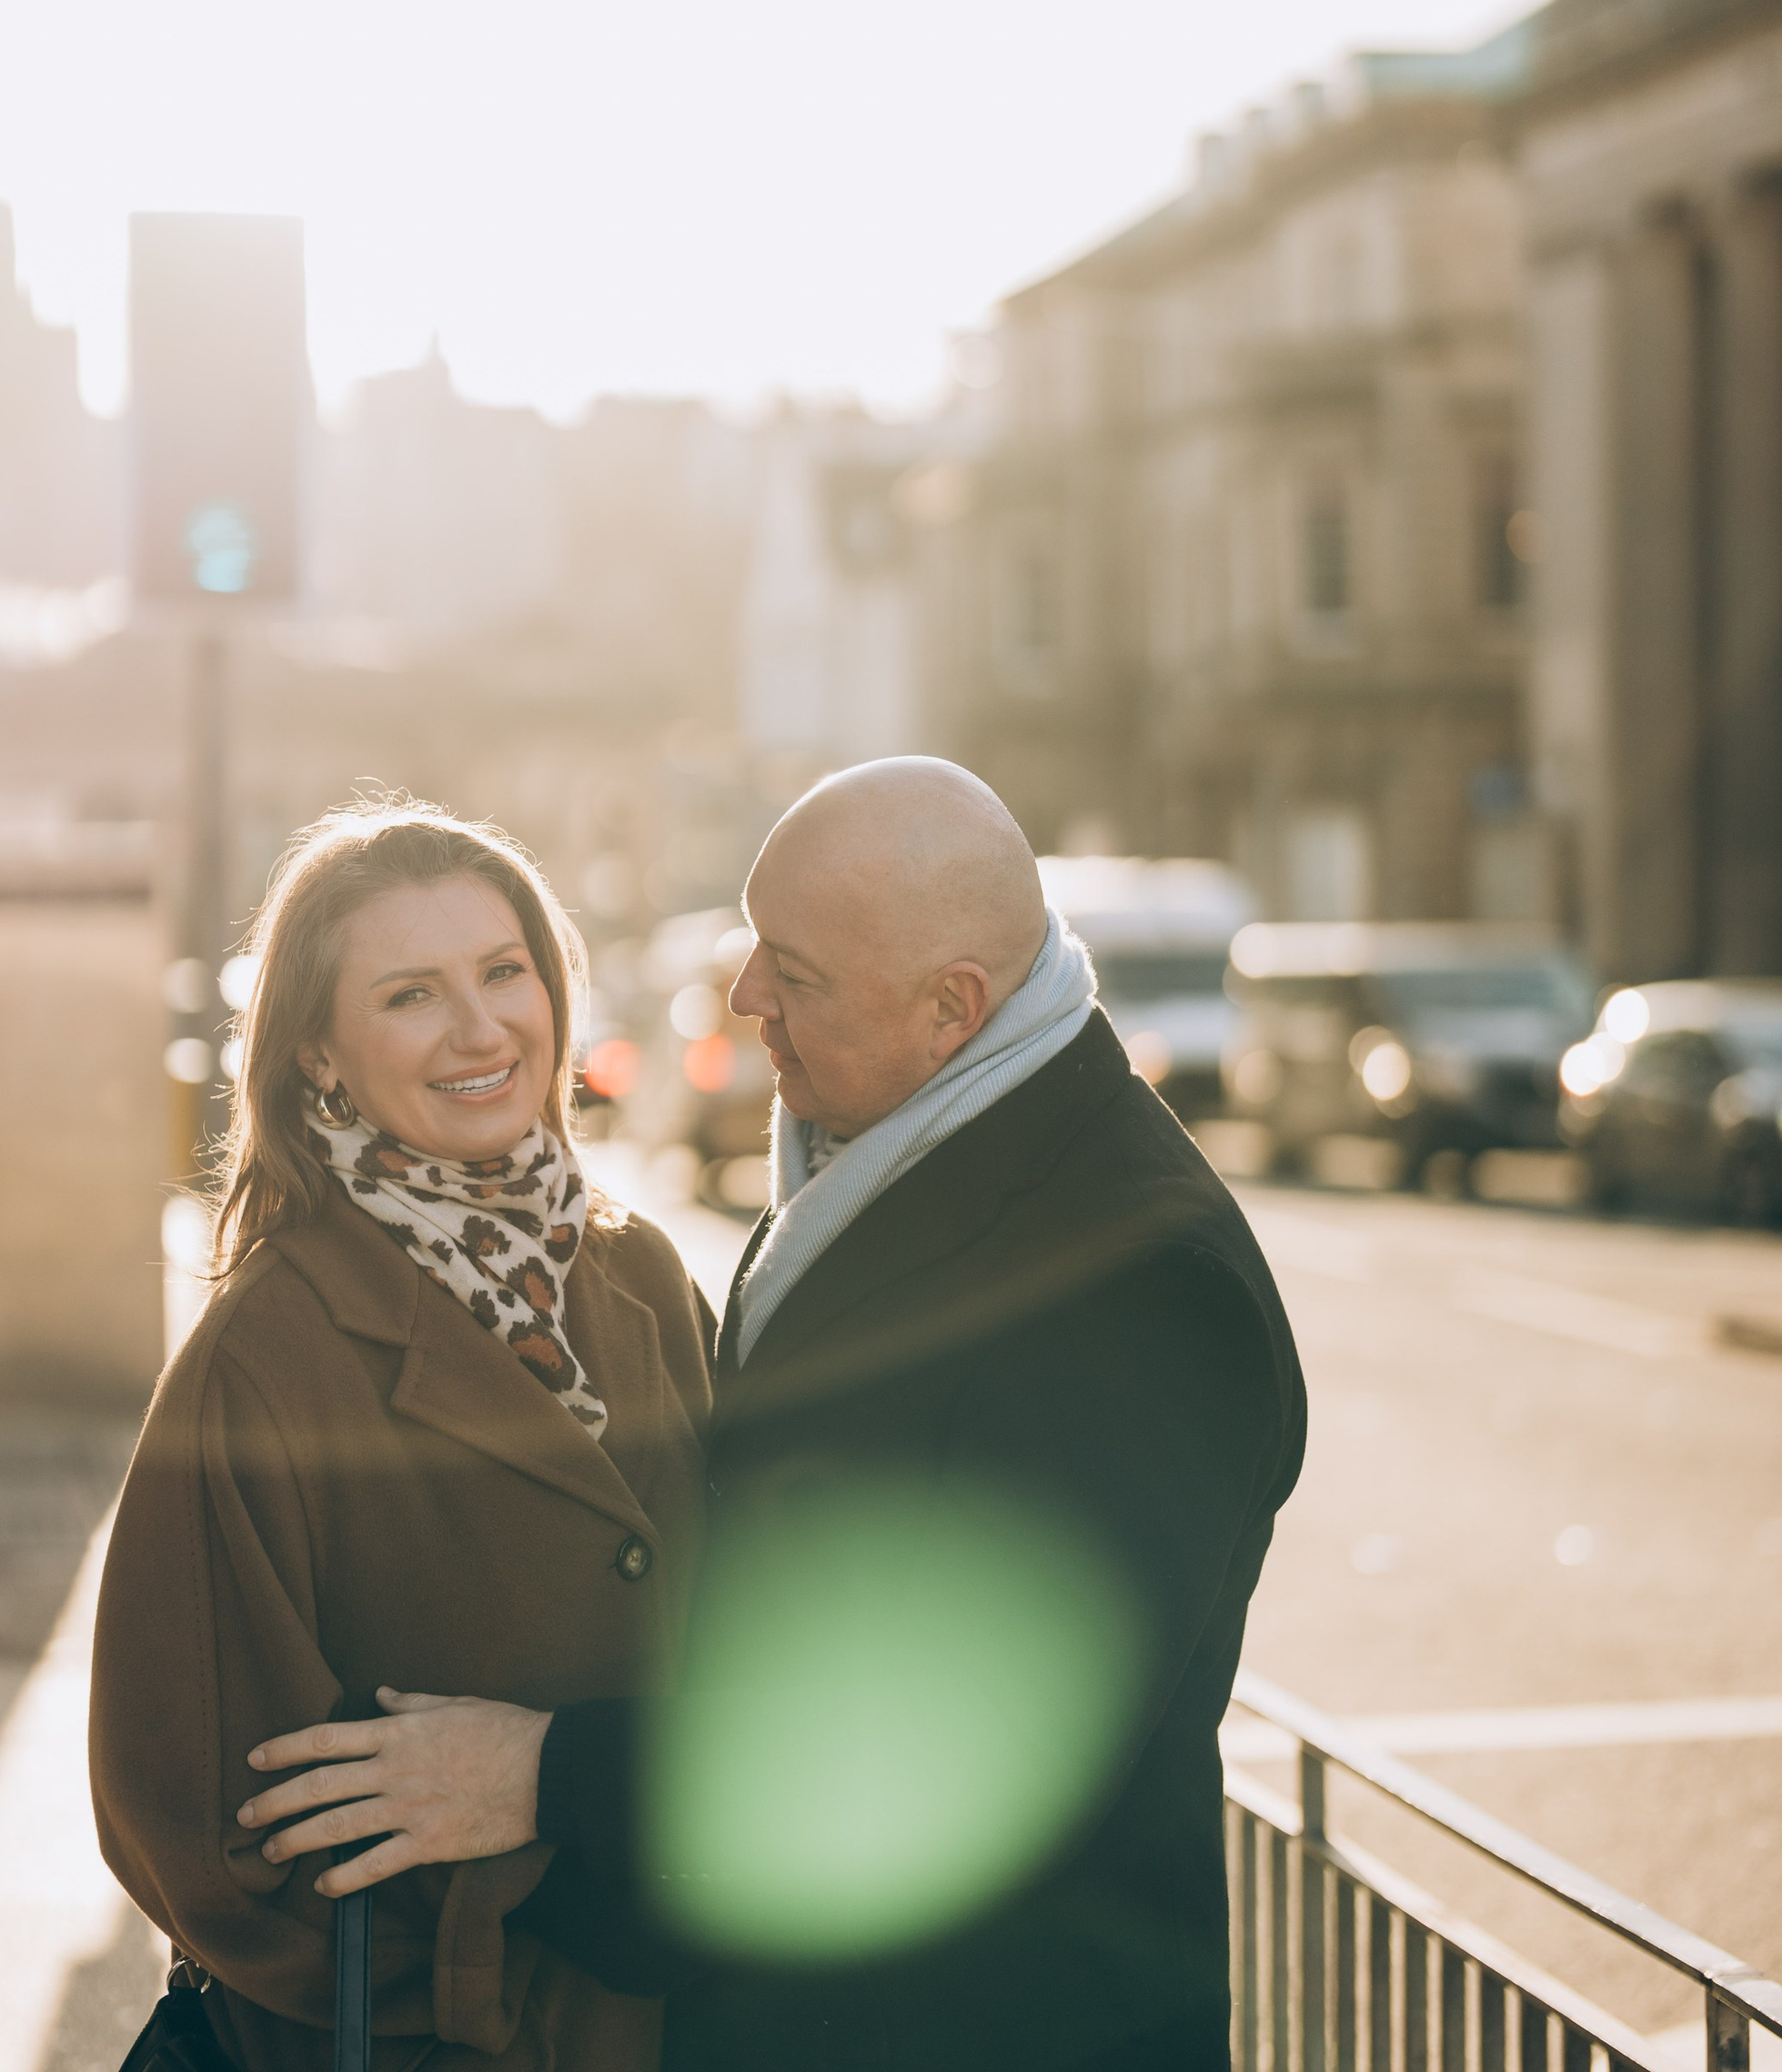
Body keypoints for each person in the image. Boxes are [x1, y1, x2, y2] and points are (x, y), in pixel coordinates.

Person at [239, 759, 1307, 2072]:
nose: (746, 1000)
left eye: (793, 975)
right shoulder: (902, 1141)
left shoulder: (1143, 1281)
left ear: (950, 1009)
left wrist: (539, 1774)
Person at [89, 803, 716, 2072]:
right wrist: (486, 1960)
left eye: (503, 972)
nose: (482, 1029)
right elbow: (194, 1818)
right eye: (412, 996)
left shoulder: (640, 1271)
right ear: (319, 1051)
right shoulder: (266, 1358)